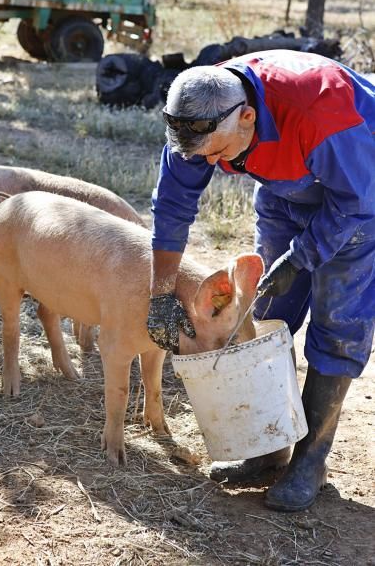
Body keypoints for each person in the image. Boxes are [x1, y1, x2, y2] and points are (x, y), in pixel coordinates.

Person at [147, 49, 375, 512]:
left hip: (360, 201)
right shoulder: (200, 117)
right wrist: (161, 292)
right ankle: (272, 446)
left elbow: (357, 200)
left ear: (248, 116)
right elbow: (172, 206)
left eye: (217, 154)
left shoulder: (318, 107)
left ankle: (310, 460)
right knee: (268, 317)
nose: (207, 161)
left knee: (338, 324)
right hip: (285, 188)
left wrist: (303, 256)